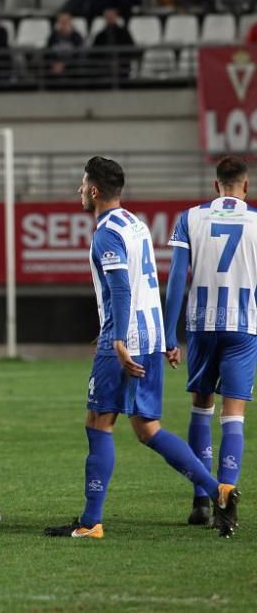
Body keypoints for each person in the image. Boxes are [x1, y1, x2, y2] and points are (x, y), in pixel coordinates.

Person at [45, 157, 239, 539]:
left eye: (83, 185)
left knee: (99, 423)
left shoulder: (106, 233)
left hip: (126, 343)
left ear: (95, 190)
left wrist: (116, 338)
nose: (79, 191)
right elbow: (144, 282)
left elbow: (121, 287)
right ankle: (219, 490)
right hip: (148, 338)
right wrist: (160, 338)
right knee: (148, 429)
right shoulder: (135, 224)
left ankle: (91, 521)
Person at [164, 156, 252, 531]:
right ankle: (226, 497)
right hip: (244, 326)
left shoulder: (190, 218)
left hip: (202, 325)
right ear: (245, 186)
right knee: (233, 415)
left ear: (216, 186)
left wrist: (169, 335)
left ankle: (202, 498)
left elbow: (174, 281)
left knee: (201, 407)